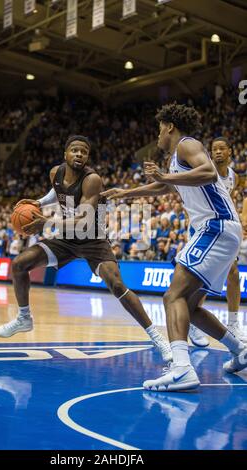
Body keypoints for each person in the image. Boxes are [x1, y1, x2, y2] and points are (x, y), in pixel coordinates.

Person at [102, 103, 247, 391]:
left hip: (215, 226)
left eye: (158, 128)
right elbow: (163, 187)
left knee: (172, 297)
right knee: (189, 307)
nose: (157, 135)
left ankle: (182, 369)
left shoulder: (187, 144)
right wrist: (126, 192)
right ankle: (240, 350)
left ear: (169, 126)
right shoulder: (174, 158)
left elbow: (207, 172)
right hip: (221, 230)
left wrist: (165, 177)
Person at [0, 135, 172, 362]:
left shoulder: (92, 180)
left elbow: (83, 221)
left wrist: (46, 223)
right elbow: (57, 192)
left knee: (117, 284)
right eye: (75, 150)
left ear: (87, 157)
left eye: (84, 152)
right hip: (66, 238)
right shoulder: (55, 173)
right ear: (65, 154)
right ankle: (24, 318)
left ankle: (157, 338)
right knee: (19, 264)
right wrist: (40, 202)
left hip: (92, 239)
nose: (79, 154)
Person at [189, 137, 247, 346]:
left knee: (233, 273)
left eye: (222, 148)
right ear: (210, 153)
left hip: (223, 228)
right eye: (214, 149)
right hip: (202, 227)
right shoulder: (205, 170)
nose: (218, 152)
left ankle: (233, 323)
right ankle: (194, 324)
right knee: (202, 278)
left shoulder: (234, 177)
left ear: (230, 151)